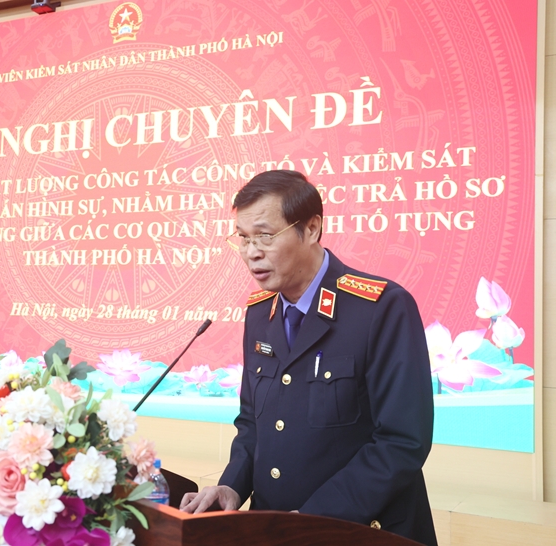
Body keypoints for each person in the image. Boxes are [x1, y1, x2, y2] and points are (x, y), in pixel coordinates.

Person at [180, 170, 437, 545]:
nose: (252, 252)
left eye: (265, 236)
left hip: (358, 531)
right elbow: (253, 424)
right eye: (243, 238)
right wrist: (231, 486)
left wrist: (314, 521)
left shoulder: (381, 308)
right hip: (271, 531)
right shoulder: (260, 313)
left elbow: (401, 442)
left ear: (312, 228)